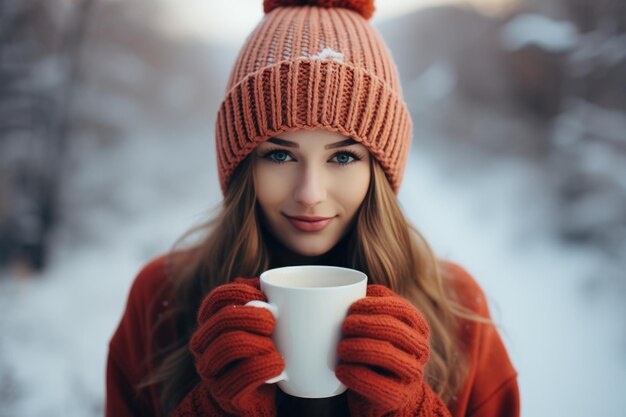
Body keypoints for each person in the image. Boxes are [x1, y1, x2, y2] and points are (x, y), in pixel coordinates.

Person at [105, 0, 520, 416]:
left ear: (379, 169)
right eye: (280, 156)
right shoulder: (161, 296)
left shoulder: (456, 305)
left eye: (342, 158)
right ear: (242, 165)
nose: (310, 193)